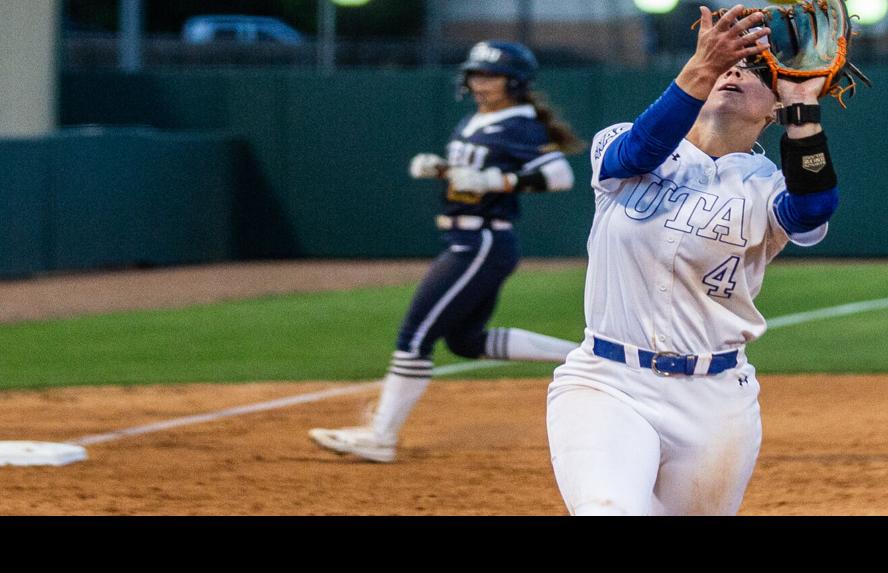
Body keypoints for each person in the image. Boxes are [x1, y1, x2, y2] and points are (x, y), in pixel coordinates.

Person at [544, 5, 840, 515]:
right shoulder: (618, 145)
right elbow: (640, 150)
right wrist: (702, 64)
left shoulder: (769, 188)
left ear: (772, 108)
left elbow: (812, 210)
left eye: (757, 70)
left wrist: (803, 111)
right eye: (730, 63)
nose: (736, 71)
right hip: (606, 382)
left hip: (717, 400)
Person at [310, 40, 584, 464]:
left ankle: (380, 436)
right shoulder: (476, 120)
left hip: (482, 240)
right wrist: (442, 169)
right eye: (475, 73)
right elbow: (472, 175)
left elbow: (559, 175)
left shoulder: (518, 122)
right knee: (466, 341)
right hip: (465, 238)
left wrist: (496, 182)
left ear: (514, 82)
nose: (479, 82)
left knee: (415, 335)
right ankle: (586, 358)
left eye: (489, 75)